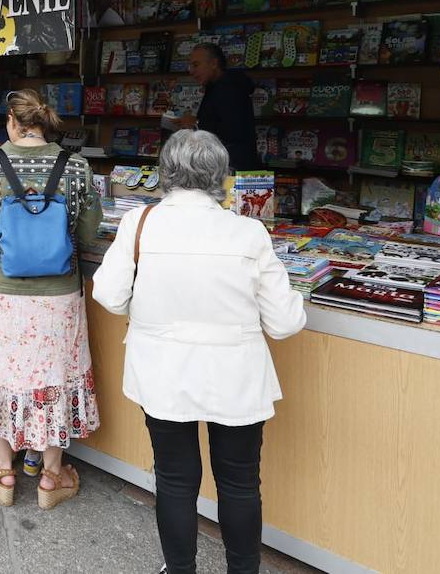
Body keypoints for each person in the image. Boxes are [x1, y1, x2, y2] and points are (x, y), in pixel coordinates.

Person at [92, 130, 307, 574]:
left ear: (165, 173)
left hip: (162, 370)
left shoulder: (141, 223)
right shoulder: (249, 231)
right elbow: (285, 323)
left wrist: (153, 309)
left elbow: (110, 296)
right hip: (236, 375)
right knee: (240, 483)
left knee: (174, 479)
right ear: (222, 177)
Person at [0, 87, 102, 509]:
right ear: (44, 122)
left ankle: (3, 471)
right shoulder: (77, 168)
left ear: (12, 123)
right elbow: (88, 234)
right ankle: (51, 478)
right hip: (56, 297)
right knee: (53, 375)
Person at [181, 43, 259, 171]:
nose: (191, 71)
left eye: (196, 65)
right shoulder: (218, 86)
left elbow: (232, 133)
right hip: (226, 166)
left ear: (214, 63)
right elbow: (221, 121)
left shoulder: (229, 89)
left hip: (231, 170)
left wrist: (195, 125)